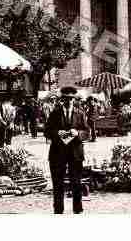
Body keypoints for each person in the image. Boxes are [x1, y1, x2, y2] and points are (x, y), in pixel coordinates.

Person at [44, 86, 90, 214]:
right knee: (57, 184)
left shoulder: (80, 113)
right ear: (61, 100)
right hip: (57, 153)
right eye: (65, 99)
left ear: (74, 99)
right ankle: (58, 210)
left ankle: (78, 209)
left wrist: (78, 133)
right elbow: (47, 131)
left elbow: (87, 132)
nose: (68, 101)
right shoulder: (55, 113)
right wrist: (57, 133)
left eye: (71, 99)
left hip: (75, 153)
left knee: (76, 182)